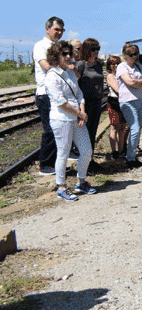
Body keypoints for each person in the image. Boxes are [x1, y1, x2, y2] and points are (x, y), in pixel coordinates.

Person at [44, 41, 98, 201]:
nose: (68, 57)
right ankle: (61, 186)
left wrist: (81, 111)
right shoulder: (52, 76)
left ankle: (81, 181)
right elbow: (60, 101)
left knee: (87, 151)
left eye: (69, 53)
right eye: (64, 54)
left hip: (76, 117)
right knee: (63, 152)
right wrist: (79, 114)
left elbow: (79, 94)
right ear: (55, 56)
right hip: (62, 119)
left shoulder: (69, 73)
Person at [33, 16, 65, 176]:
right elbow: (46, 66)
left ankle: (55, 164)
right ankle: (45, 165)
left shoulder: (59, 47)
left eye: (61, 30)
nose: (59, 33)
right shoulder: (40, 46)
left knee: (59, 128)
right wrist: (64, 67)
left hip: (58, 92)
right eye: (56, 29)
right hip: (45, 93)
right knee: (50, 130)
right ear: (47, 29)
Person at [116, 43, 142, 169]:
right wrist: (139, 83)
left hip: (140, 100)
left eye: (136, 54)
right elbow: (129, 82)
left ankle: (132, 155)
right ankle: (129, 157)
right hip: (128, 101)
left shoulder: (139, 66)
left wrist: (137, 83)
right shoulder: (122, 67)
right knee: (134, 128)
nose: (134, 57)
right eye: (131, 54)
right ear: (125, 56)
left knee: (138, 128)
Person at [74, 38, 103, 173]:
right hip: (86, 103)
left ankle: (90, 160)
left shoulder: (98, 65)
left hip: (97, 102)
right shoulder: (81, 65)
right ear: (87, 50)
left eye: (98, 49)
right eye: (93, 49)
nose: (96, 52)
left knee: (92, 132)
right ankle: (84, 162)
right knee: (85, 133)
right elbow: (75, 86)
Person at [105, 56, 127, 159]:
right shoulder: (110, 76)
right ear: (109, 66)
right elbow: (118, 89)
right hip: (113, 102)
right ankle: (114, 151)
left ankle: (121, 150)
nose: (115, 66)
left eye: (117, 63)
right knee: (114, 127)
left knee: (122, 128)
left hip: (123, 102)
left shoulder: (121, 75)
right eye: (113, 64)